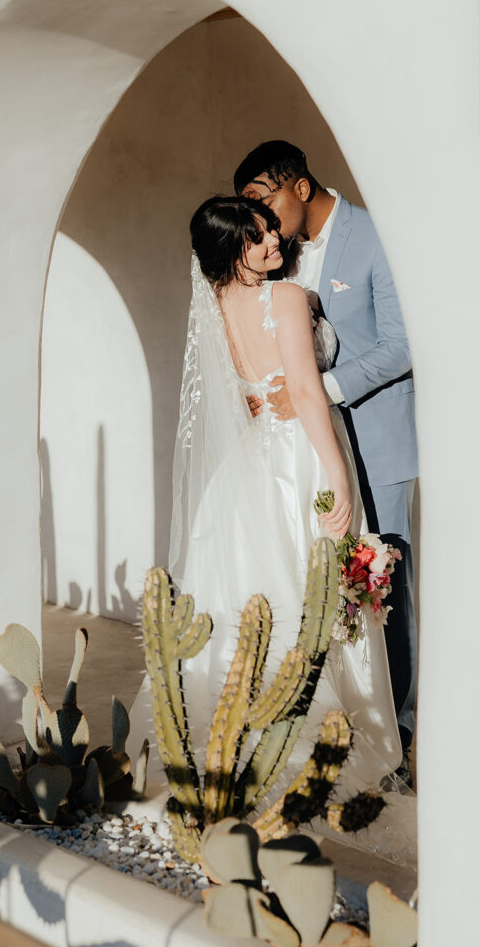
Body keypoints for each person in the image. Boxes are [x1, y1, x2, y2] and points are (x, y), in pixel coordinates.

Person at [128, 196, 411, 863]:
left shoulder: (214, 308)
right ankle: (326, 744)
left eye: (267, 231)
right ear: (231, 254)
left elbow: (249, 393)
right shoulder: (283, 298)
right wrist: (338, 479)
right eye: (253, 240)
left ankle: (231, 748)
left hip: (251, 463)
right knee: (312, 598)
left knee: (258, 597)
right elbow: (309, 395)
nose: (271, 243)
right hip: (299, 457)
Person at [233, 142, 417, 786]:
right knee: (320, 589)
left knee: (381, 586)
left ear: (302, 187)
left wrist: (325, 393)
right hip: (309, 453)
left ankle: (399, 729)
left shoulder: (372, 236)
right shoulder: (281, 254)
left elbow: (402, 346)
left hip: (376, 437)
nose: (263, 219)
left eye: (266, 201)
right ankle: (330, 725)